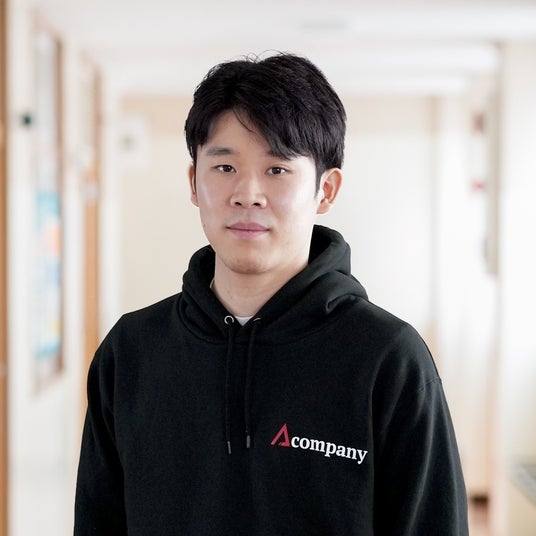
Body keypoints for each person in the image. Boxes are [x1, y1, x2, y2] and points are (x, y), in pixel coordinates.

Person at [74, 52, 469, 535]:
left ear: (326, 190)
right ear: (194, 182)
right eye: (224, 167)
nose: (247, 193)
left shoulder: (387, 358)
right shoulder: (132, 351)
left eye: (277, 169)